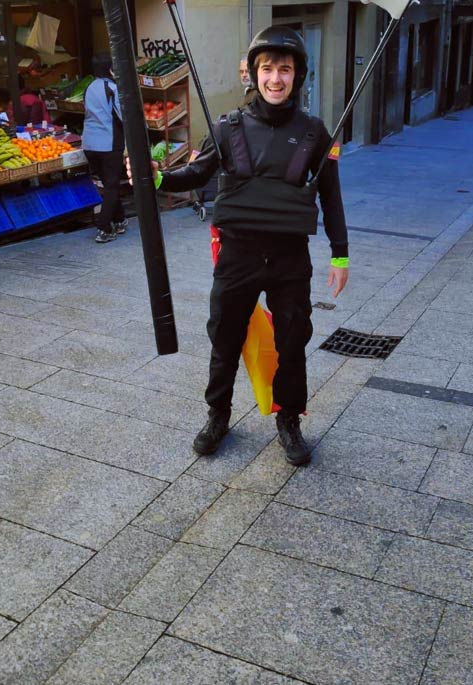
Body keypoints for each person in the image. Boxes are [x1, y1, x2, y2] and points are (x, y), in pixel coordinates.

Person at [127, 27, 349, 466]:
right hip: (238, 255)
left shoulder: (315, 133)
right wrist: (156, 178)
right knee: (224, 338)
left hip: (289, 259)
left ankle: (289, 421)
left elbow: (331, 195)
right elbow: (196, 175)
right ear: (254, 73)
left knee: (292, 341)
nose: (276, 79)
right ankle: (218, 415)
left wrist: (340, 253)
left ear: (297, 75)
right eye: (268, 69)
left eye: (285, 70)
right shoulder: (228, 128)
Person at [82, 53, 128, 243]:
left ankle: (119, 219)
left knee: (108, 183)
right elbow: (123, 115)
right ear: (110, 69)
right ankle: (104, 227)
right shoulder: (112, 88)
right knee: (112, 185)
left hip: (89, 144)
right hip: (108, 144)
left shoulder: (89, 87)